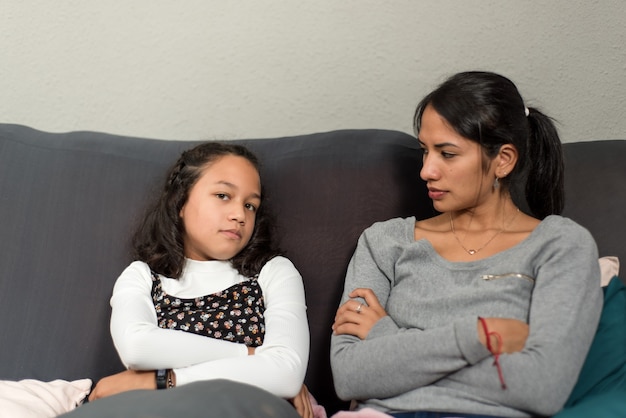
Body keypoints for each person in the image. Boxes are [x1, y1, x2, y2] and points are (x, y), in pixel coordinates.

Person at [330, 71, 603, 418]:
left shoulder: (560, 245)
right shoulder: (384, 242)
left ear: (502, 160)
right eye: (425, 151)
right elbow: (350, 375)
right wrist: (478, 336)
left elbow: (541, 388)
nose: (426, 170)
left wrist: (386, 340)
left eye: (447, 154)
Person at [86, 142, 312, 418]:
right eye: (222, 195)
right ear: (181, 201)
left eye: (250, 205)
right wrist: (252, 357)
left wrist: (161, 381)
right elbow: (137, 347)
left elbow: (286, 373)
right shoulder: (142, 276)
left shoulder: (273, 271)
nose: (239, 215)